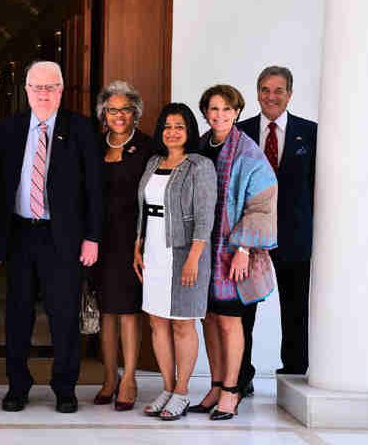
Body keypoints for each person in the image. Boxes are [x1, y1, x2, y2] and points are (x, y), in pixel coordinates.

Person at [0, 61, 103, 414]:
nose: (43, 93)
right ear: (26, 90)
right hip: (21, 234)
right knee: (18, 314)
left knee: (64, 315)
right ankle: (17, 385)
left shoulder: (81, 129)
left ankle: (65, 387)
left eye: (50, 87)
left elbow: (94, 189)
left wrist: (92, 237)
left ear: (61, 90)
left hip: (64, 238)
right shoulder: (9, 128)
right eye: (37, 87)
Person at [190, 85, 278, 421]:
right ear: (206, 112)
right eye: (214, 109)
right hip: (203, 249)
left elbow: (261, 203)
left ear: (238, 112)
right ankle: (214, 385)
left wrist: (243, 248)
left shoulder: (248, 153)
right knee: (209, 318)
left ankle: (231, 390)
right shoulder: (199, 147)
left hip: (232, 251)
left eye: (228, 109)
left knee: (230, 320)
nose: (220, 115)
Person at [133, 103, 217, 420]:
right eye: (167, 126)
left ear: (189, 131)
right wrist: (137, 247)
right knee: (157, 321)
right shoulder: (154, 161)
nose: (172, 131)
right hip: (154, 250)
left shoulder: (200, 166)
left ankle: (182, 392)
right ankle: (167, 388)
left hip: (184, 253)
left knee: (183, 323)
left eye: (179, 126)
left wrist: (194, 257)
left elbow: (205, 217)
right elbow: (143, 209)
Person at [237, 67, 317, 389]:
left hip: (294, 237)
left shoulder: (310, 133)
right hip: (249, 239)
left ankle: (294, 376)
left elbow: (319, 188)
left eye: (279, 90)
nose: (272, 96)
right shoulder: (239, 133)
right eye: (266, 89)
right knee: (243, 312)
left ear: (290, 94)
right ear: (257, 93)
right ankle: (240, 376)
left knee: (296, 310)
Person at [90, 81, 156, 411]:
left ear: (136, 114)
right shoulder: (93, 144)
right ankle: (109, 378)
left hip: (133, 239)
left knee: (129, 310)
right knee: (107, 312)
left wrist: (143, 241)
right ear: (104, 113)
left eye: (125, 110)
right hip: (99, 240)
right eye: (112, 110)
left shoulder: (147, 147)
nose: (118, 116)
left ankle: (129, 378)